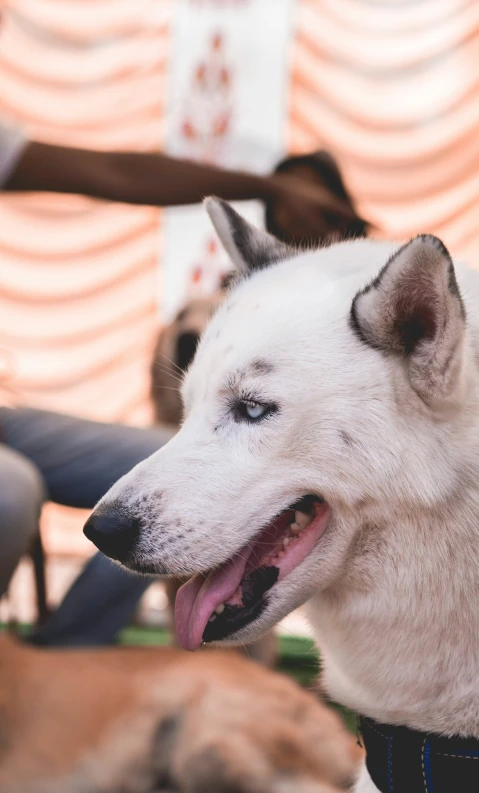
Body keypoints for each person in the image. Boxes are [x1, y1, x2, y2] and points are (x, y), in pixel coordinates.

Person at [0, 120, 352, 645]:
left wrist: (269, 186)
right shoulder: (208, 312)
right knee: (13, 490)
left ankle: (62, 654)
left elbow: (115, 169)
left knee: (147, 464)